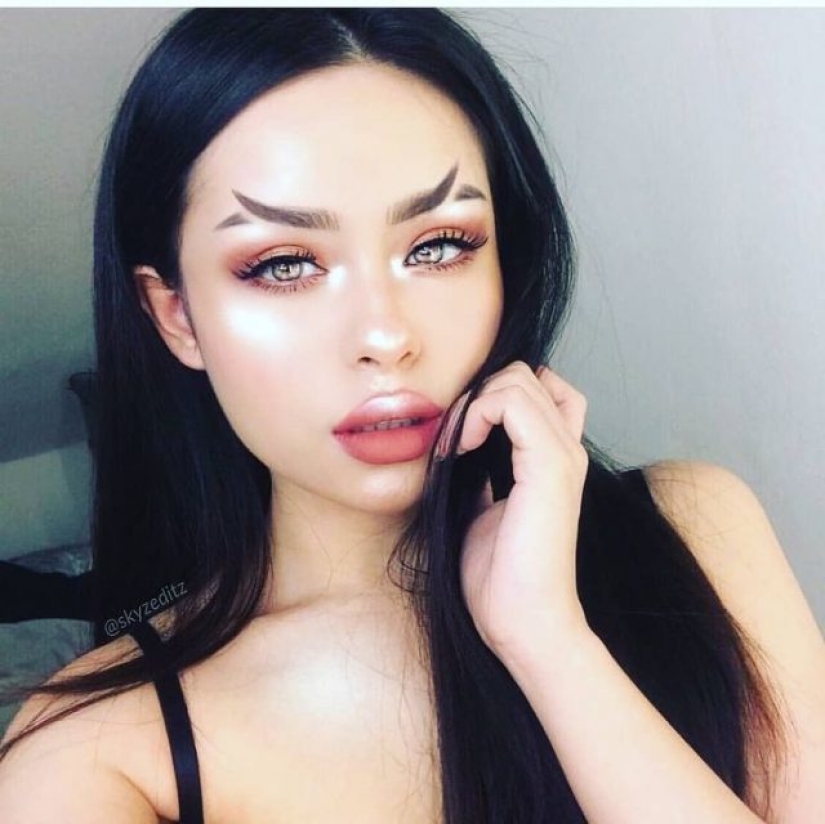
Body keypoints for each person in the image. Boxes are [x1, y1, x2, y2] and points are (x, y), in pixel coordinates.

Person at [0, 8, 822, 823]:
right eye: (283, 264)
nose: (385, 336)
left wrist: (551, 645)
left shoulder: (694, 525)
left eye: (438, 247)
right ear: (176, 315)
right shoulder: (93, 753)